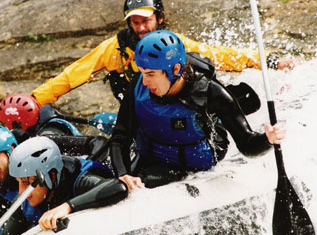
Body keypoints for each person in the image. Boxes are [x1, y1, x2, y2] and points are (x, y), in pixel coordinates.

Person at [109, 30, 286, 190]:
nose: (145, 82)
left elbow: (248, 145)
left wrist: (268, 140)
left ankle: (222, 114)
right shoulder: (138, 87)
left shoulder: (211, 93)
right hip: (152, 158)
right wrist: (123, 174)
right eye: (142, 72)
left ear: (175, 70)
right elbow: (120, 137)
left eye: (150, 74)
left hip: (197, 162)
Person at [30, 0, 294, 106]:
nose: (141, 27)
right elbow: (72, 75)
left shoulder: (174, 43)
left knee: (200, 65)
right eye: (135, 22)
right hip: (139, 111)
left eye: (146, 21)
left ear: (159, 18)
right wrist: (34, 100)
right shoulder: (115, 48)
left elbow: (220, 56)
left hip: (177, 106)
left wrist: (269, 60)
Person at [0, 136, 128, 235]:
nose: (21, 191)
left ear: (51, 176)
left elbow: (118, 187)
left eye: (26, 182)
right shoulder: (22, 201)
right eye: (19, 182)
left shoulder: (79, 179)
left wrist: (67, 207)